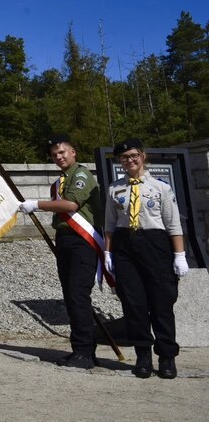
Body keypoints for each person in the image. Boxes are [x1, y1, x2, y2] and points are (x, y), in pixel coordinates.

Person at [104, 138, 188, 379]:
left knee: (162, 304)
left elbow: (173, 224)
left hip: (155, 245)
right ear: (119, 161)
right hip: (125, 246)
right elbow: (109, 224)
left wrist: (179, 255)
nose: (129, 160)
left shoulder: (161, 188)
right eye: (124, 157)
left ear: (143, 156)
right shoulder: (115, 188)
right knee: (134, 304)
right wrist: (108, 252)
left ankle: (167, 356)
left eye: (134, 155)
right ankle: (143, 355)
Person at [18, 135, 102, 369]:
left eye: (63, 152)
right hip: (65, 239)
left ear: (73, 152)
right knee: (70, 296)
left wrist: (37, 204)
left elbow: (71, 205)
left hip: (82, 241)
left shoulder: (81, 175)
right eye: (55, 154)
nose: (59, 157)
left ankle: (85, 352)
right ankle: (81, 350)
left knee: (78, 295)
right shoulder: (60, 181)